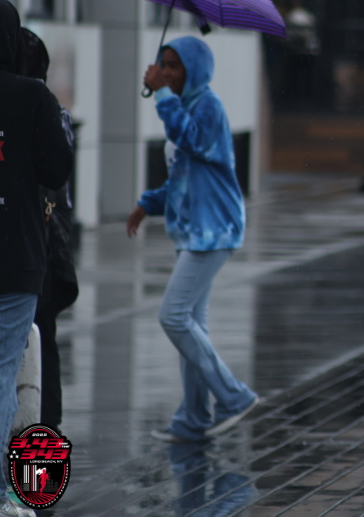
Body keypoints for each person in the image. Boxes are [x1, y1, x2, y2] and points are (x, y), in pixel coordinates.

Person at [127, 36, 259, 443]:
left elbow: (194, 140)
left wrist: (161, 95)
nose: (167, 72)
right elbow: (182, 178)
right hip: (193, 231)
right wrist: (148, 204)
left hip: (214, 229)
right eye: (163, 65)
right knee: (191, 325)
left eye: (175, 66)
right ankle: (194, 419)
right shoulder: (185, 106)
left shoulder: (208, 107)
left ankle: (234, 396)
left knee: (173, 316)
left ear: (194, 70)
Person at [0, 0, 74, 517]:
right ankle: (11, 493)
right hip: (17, 257)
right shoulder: (32, 95)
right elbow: (56, 170)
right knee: (7, 372)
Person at [15, 28, 79, 431]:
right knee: (42, 347)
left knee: (35, 347)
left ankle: (40, 439)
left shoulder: (35, 107)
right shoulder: (49, 108)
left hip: (36, 246)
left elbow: (53, 176)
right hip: (45, 246)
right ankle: (44, 437)